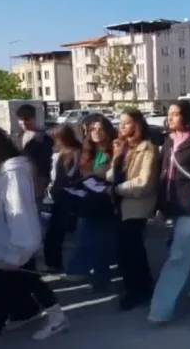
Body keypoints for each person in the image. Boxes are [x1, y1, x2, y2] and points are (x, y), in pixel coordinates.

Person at [0, 127, 68, 349]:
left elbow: (21, 214)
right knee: (30, 281)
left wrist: (16, 253)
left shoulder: (12, 172)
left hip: (13, 247)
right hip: (9, 245)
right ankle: (58, 318)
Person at [149, 101, 190, 322]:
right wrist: (159, 206)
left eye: (175, 114)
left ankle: (160, 309)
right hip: (172, 204)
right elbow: (163, 175)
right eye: (169, 115)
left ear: (186, 117)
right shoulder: (168, 142)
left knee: (177, 257)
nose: (170, 118)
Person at [107, 108, 159, 310]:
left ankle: (138, 291)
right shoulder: (123, 148)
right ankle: (140, 287)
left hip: (136, 206)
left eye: (127, 122)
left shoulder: (148, 148)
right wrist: (116, 156)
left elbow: (144, 182)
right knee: (128, 251)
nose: (122, 126)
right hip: (120, 205)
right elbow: (111, 176)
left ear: (137, 125)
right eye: (120, 123)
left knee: (130, 251)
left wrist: (117, 189)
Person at [66, 114, 118, 291]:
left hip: (107, 202)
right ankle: (95, 276)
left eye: (99, 129)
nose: (95, 132)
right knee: (87, 240)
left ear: (107, 131)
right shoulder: (88, 152)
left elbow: (114, 175)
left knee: (102, 242)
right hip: (88, 202)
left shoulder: (114, 150)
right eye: (92, 129)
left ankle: (102, 279)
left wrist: (98, 179)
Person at [42, 124, 82, 273]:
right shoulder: (60, 152)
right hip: (58, 194)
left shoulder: (73, 152)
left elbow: (70, 175)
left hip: (65, 194)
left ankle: (54, 263)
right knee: (55, 232)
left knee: (56, 232)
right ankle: (53, 263)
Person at [14, 104, 54, 209]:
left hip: (37, 182)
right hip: (20, 181)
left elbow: (45, 162)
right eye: (20, 120)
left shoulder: (43, 138)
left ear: (33, 118)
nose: (23, 123)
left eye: (26, 119)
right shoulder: (18, 137)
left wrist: (41, 182)